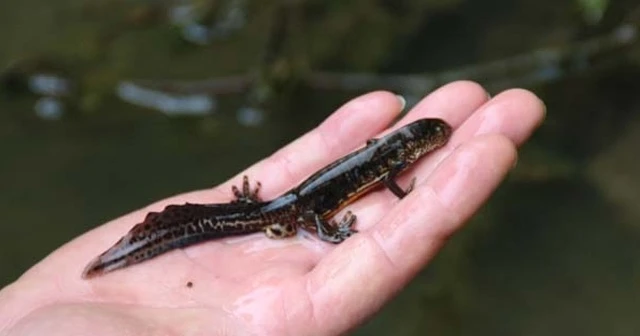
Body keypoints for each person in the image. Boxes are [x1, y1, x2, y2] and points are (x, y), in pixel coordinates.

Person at [0, 81, 544, 335]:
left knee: (281, 206)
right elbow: (389, 182)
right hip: (293, 208)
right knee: (296, 211)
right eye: (430, 143)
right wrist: (330, 233)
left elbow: (386, 175)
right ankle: (129, 253)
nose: (431, 148)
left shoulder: (388, 156)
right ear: (412, 147)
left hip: (284, 204)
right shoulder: (387, 161)